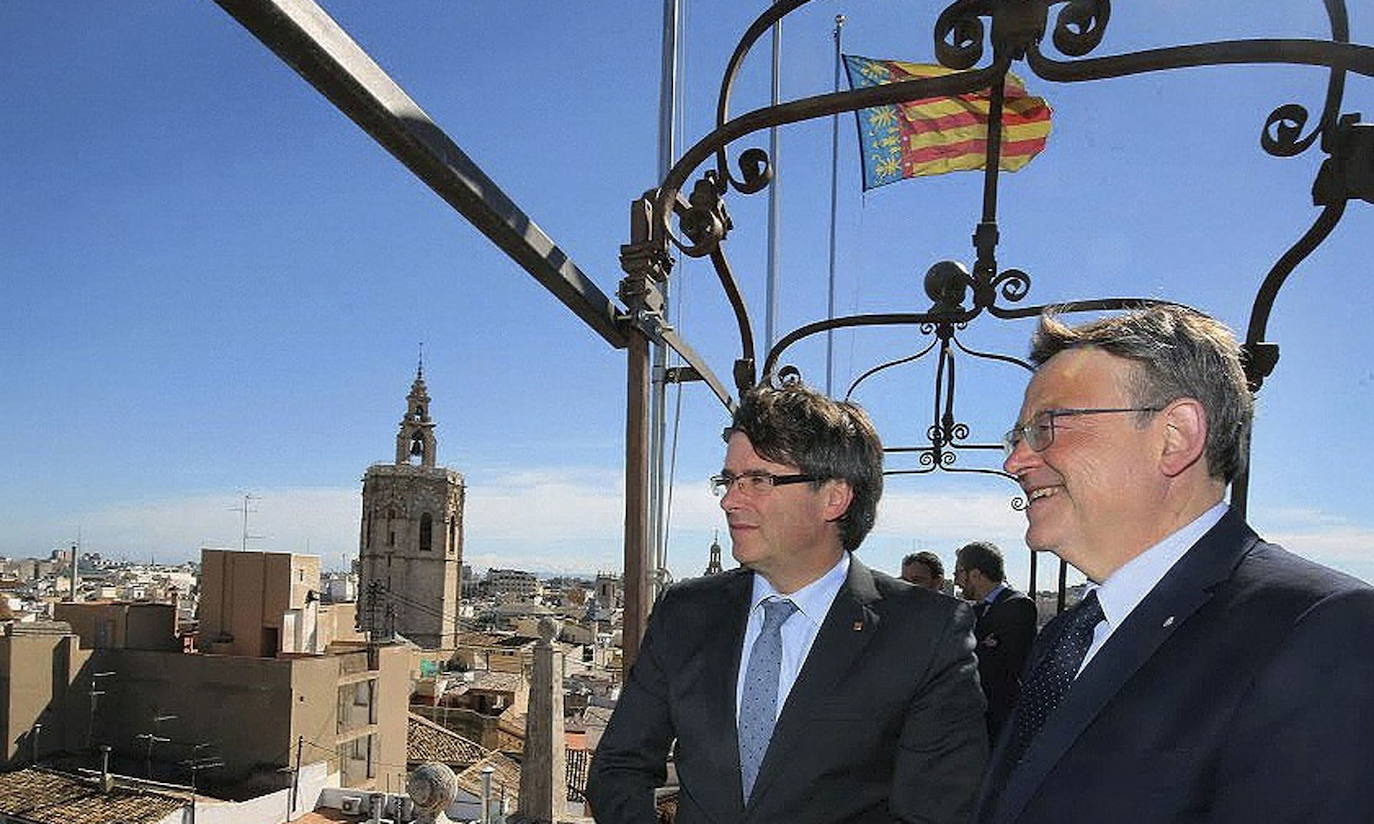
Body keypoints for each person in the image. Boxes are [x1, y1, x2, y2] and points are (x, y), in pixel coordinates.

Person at [975, 306, 1374, 824]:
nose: (1015, 462)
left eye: (1048, 426)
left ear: (1175, 437)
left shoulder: (1318, 629)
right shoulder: (1069, 635)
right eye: (1018, 437)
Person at [588, 383, 987, 824]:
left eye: (758, 479)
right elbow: (619, 766)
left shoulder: (926, 632)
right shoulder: (685, 610)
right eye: (728, 480)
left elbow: (937, 811)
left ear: (834, 497)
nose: (729, 499)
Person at [953, 541, 1037, 740]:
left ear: (975, 574)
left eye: (958, 573)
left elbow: (1001, 665)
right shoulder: (974, 611)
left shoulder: (1017, 605)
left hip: (1001, 721)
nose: (956, 581)